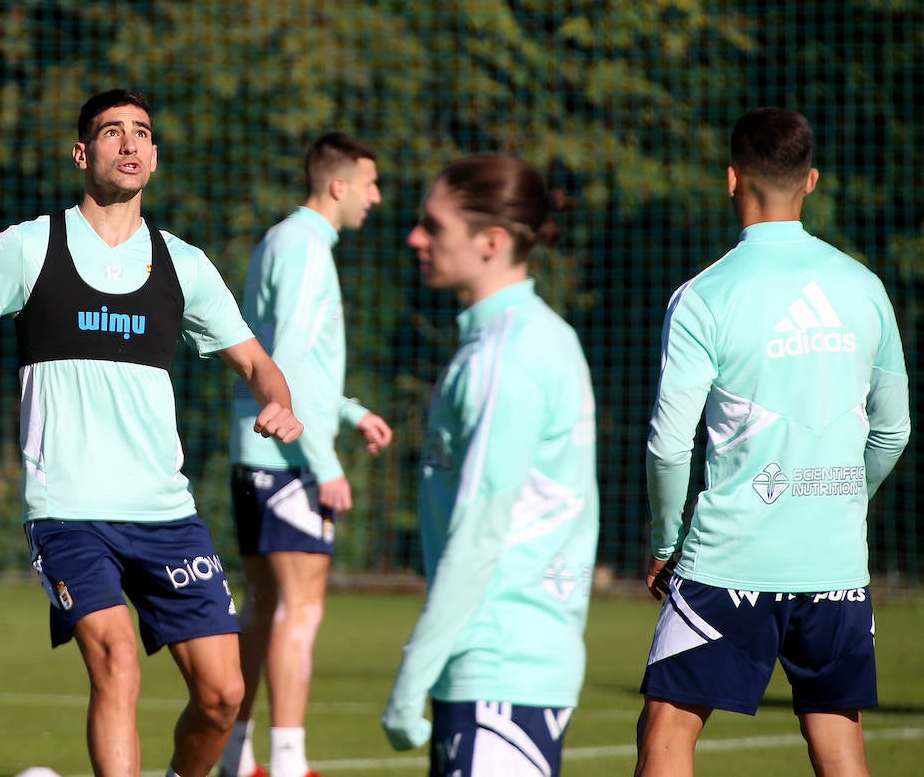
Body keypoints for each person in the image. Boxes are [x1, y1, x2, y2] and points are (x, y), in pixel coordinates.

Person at [0, 89, 305, 777]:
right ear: (82, 153)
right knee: (116, 659)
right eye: (111, 132)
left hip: (165, 513)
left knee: (223, 694)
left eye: (142, 133)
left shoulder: (183, 264)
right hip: (68, 511)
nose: (129, 144)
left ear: (154, 158)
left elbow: (256, 363)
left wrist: (278, 400)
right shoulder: (30, 246)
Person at [635, 108, 911, 777]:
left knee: (667, 727)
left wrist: (669, 542)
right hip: (834, 559)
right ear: (811, 180)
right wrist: (845, 497)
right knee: (839, 741)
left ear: (732, 179)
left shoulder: (704, 297)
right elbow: (893, 428)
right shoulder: (863, 288)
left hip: (731, 556)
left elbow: (670, 444)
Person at [382, 154, 599, 776]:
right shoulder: (541, 338)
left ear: (491, 243)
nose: (414, 238)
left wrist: (407, 685)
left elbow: (479, 538)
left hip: (498, 663)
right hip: (517, 663)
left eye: (433, 225)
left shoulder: (508, 359)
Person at [221, 133, 395, 777]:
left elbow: (293, 362)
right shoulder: (306, 248)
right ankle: (289, 763)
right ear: (339, 185)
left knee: (265, 607)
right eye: (370, 184)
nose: (376, 197)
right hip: (289, 462)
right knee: (302, 607)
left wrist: (351, 412)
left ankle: (236, 759)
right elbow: (287, 360)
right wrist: (326, 464)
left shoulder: (282, 240)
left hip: (258, 452)